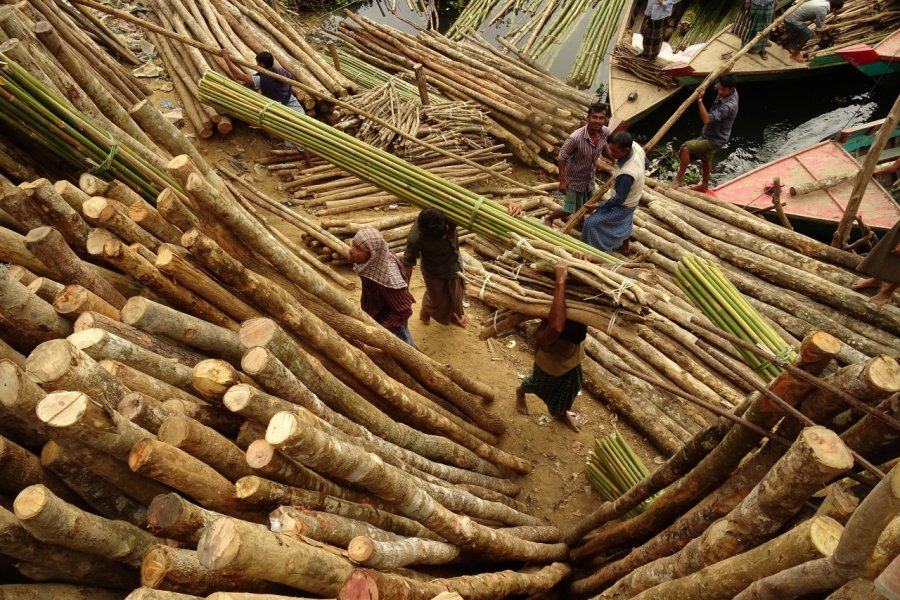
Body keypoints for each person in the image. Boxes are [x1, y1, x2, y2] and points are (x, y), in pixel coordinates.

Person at [516, 261, 587, 433]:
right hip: (553, 354)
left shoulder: (577, 290)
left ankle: (561, 412)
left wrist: (587, 260)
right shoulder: (554, 324)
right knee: (537, 384)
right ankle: (520, 392)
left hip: (573, 351)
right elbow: (555, 328)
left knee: (573, 385)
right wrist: (560, 281)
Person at [219, 49, 313, 168]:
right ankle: (308, 151)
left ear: (262, 65)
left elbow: (238, 76)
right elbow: (292, 77)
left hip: (282, 108)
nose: (257, 66)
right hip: (291, 101)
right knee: (304, 129)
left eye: (257, 63)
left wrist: (225, 58)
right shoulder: (281, 70)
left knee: (297, 135)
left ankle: (309, 162)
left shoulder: (261, 78)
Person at [545, 103, 611, 228]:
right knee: (568, 209)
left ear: (605, 119)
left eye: (601, 118)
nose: (597, 121)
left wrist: (614, 159)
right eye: (594, 117)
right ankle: (550, 218)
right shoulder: (576, 138)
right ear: (588, 118)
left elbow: (605, 148)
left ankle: (579, 221)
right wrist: (562, 181)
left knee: (588, 204)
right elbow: (562, 157)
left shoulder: (605, 132)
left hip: (589, 177)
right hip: (574, 179)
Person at [580, 131, 646, 254]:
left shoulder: (627, 174)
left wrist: (598, 205)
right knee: (625, 221)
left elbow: (619, 199)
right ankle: (625, 246)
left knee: (591, 223)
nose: (611, 153)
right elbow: (646, 162)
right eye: (611, 148)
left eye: (615, 151)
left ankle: (595, 251)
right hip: (632, 196)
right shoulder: (636, 147)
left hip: (624, 205)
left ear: (626, 150)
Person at [671, 73, 739, 192]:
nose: (720, 91)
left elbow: (707, 119)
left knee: (685, 148)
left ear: (731, 90)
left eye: (723, 90)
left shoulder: (728, 106)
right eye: (719, 87)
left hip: (715, 139)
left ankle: (678, 180)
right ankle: (705, 185)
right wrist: (705, 86)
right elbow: (716, 85)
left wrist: (700, 100)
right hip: (711, 134)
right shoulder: (727, 89)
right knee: (705, 158)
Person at [348, 228, 416, 346]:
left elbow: (404, 309)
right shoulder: (373, 261)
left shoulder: (386, 279)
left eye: (358, 248)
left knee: (401, 346)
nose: (351, 250)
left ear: (372, 253)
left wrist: (383, 328)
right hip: (376, 312)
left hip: (390, 321)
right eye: (353, 244)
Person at [402, 208, 466, 328]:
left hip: (454, 261)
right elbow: (407, 263)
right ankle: (426, 310)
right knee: (437, 300)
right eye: (438, 237)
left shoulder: (453, 214)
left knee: (456, 292)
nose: (443, 238)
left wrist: (508, 205)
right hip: (433, 269)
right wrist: (405, 289)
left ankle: (452, 314)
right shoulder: (415, 239)